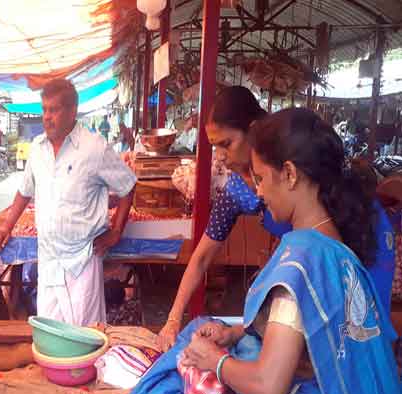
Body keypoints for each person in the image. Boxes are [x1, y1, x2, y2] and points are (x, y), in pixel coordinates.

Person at [116, 108, 402, 394]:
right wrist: (235, 334)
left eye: (262, 178)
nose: (258, 191)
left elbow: (269, 386)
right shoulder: (335, 248)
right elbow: (307, 338)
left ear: (290, 173)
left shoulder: (304, 260)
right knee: (194, 330)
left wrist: (214, 362)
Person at [157, 86, 395, 351]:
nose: (220, 157)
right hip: (317, 262)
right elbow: (201, 257)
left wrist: (222, 362)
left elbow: (270, 385)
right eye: (215, 147)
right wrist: (172, 320)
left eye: (226, 144)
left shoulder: (295, 161)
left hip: (361, 236)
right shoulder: (237, 188)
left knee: (362, 334)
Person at [0, 78, 136, 326]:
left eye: (54, 110)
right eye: (44, 109)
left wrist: (116, 231)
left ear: (72, 111)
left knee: (84, 337)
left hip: (82, 261)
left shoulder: (94, 148)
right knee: (51, 334)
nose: (47, 117)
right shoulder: (37, 149)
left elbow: (128, 185)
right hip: (48, 261)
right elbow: (25, 191)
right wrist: (6, 226)